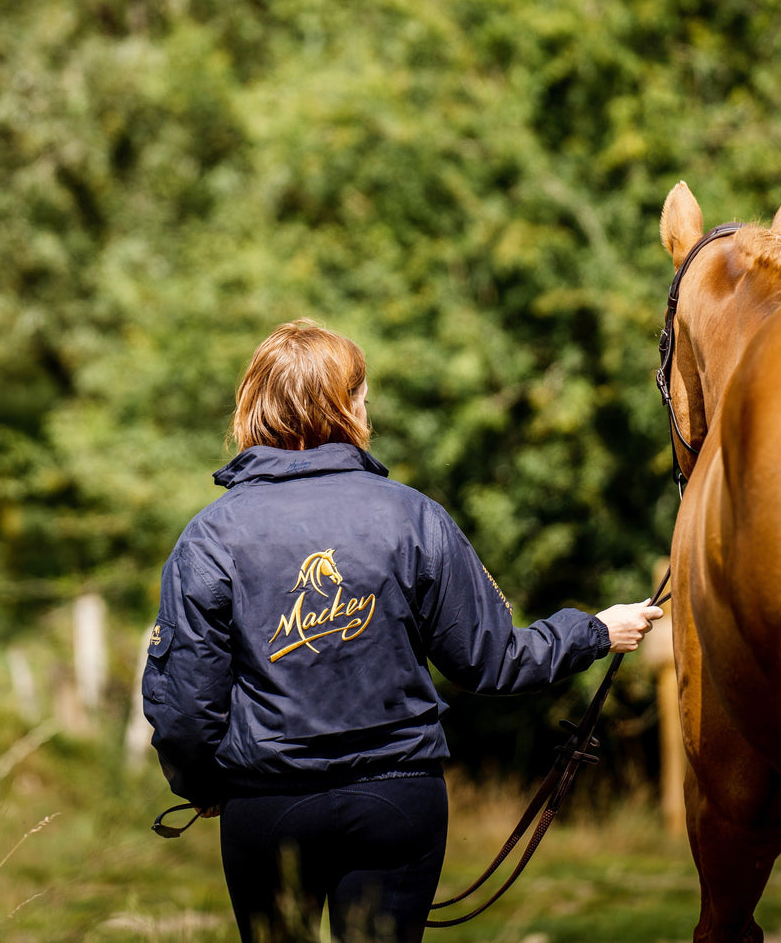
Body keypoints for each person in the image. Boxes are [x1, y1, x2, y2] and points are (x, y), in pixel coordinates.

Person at [143, 319, 662, 943]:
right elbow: (491, 661)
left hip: (268, 805)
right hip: (395, 801)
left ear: (255, 406)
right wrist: (594, 632)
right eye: (363, 394)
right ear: (347, 405)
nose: (368, 407)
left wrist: (201, 786)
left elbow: (186, 704)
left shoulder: (212, 536)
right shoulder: (412, 517)